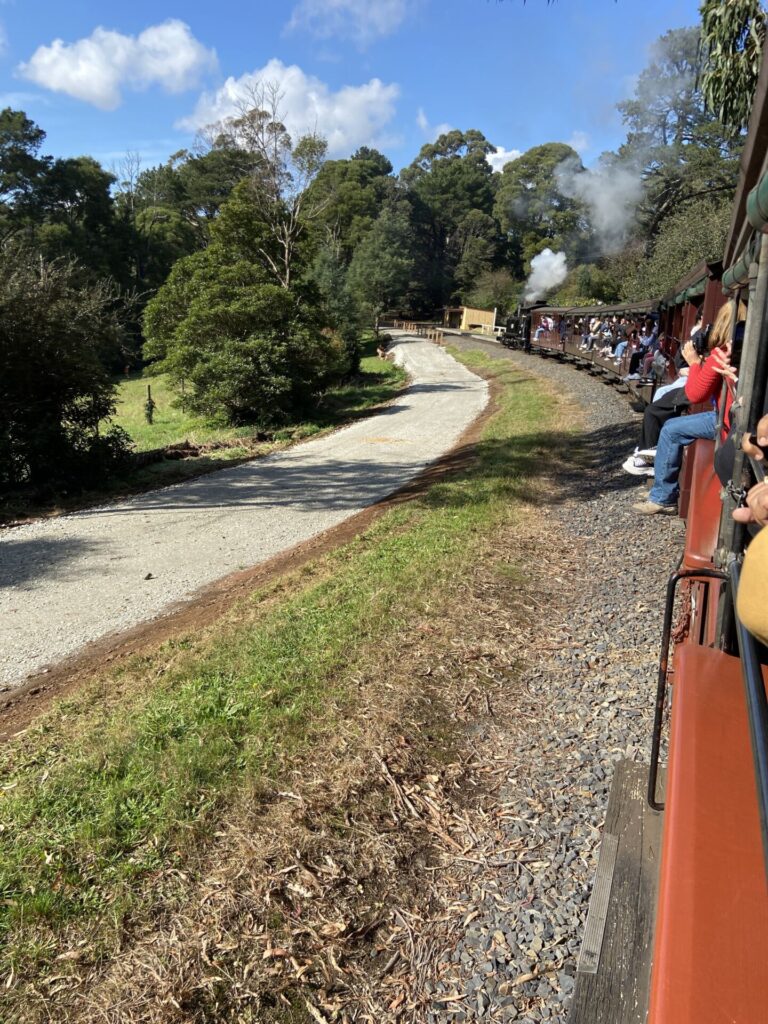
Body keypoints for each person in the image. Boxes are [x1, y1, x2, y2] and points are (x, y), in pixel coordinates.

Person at [632, 301, 741, 515]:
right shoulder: (739, 349)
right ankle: (660, 490)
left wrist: (694, 363)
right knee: (671, 424)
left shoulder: (722, 353)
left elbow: (695, 394)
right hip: (732, 416)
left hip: (727, 421)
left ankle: (663, 497)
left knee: (671, 430)